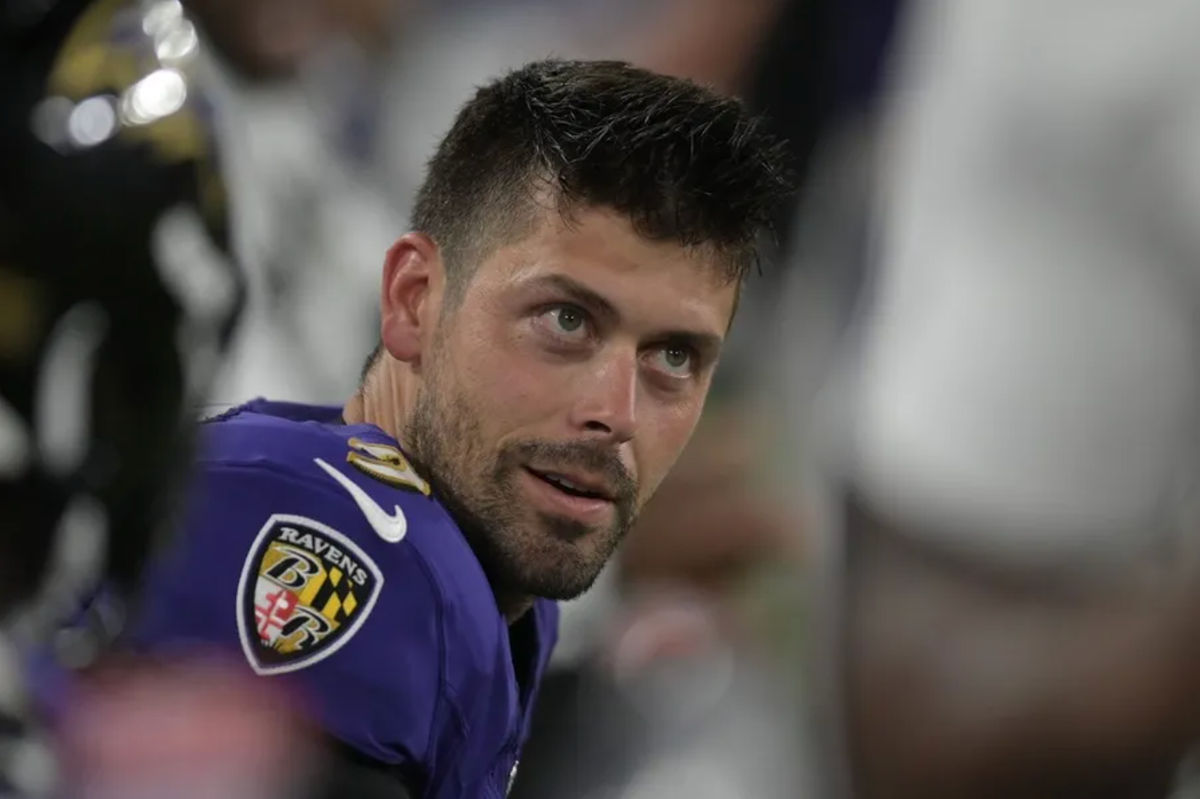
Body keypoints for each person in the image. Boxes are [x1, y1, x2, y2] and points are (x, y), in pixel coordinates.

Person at [131, 58, 793, 798]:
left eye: (673, 357)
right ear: (414, 300)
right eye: (566, 320)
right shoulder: (343, 552)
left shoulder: (496, 595)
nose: (616, 412)